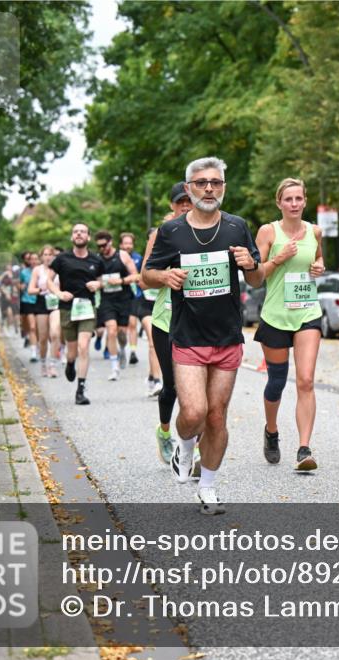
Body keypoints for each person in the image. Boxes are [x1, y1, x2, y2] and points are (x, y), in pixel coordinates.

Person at [143, 158, 263, 515]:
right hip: (188, 334)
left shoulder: (237, 227)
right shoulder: (173, 232)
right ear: (188, 188)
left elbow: (257, 280)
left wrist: (250, 264)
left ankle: (208, 487)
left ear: (224, 186)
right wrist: (165, 278)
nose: (209, 188)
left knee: (216, 417)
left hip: (227, 336)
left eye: (216, 182)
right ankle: (183, 445)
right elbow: (147, 274)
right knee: (193, 412)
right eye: (201, 182)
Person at [254, 178, 326, 471]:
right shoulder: (268, 231)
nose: (294, 204)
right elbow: (256, 276)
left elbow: (318, 261)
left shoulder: (315, 231)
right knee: (277, 382)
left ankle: (304, 449)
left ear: (305, 201)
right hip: (275, 315)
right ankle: (271, 432)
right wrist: (278, 259)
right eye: (289, 199)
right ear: (279, 203)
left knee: (306, 380)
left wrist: (319, 267)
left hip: (308, 312)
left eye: (299, 199)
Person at [143, 187, 194, 462]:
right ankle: (164, 432)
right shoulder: (161, 234)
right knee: (172, 386)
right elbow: (145, 277)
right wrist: (165, 276)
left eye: (189, 201)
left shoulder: (209, 230)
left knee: (196, 389)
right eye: (180, 202)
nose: (186, 206)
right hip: (167, 320)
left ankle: (193, 446)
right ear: (172, 205)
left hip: (198, 321)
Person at [45, 223, 105, 405]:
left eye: (83, 232)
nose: (79, 234)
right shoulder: (62, 259)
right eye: (75, 232)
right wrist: (58, 293)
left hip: (87, 307)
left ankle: (80, 390)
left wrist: (98, 285)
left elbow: (102, 280)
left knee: (83, 346)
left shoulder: (96, 260)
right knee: (72, 352)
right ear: (72, 237)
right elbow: (48, 280)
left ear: (88, 237)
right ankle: (70, 363)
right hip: (67, 308)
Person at [94, 231, 139, 381]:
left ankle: (122, 349)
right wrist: (98, 284)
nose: (102, 249)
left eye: (104, 245)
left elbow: (136, 275)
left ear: (111, 242)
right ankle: (114, 367)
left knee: (121, 333)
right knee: (111, 330)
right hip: (107, 300)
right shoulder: (97, 259)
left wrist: (120, 281)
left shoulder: (122, 256)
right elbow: (96, 279)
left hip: (124, 298)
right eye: (99, 246)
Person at [29, 245, 63, 378]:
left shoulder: (60, 269)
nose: (48, 257)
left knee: (55, 334)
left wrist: (59, 291)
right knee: (42, 338)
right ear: (41, 257)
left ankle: (53, 364)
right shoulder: (37, 270)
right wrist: (40, 289)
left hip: (56, 303)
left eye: (50, 254)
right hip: (42, 303)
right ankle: (43, 363)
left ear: (54, 256)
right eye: (45, 254)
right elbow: (30, 290)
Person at [120, 232, 143, 366]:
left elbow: (141, 275)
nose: (128, 245)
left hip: (135, 295)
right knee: (121, 328)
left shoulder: (138, 258)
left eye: (130, 243)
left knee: (133, 324)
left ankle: (133, 352)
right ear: (121, 244)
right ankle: (121, 349)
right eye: (125, 243)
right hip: (120, 296)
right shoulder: (116, 257)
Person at [19, 251, 41, 362]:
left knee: (38, 328)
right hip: (27, 301)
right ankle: (33, 353)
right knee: (32, 327)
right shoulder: (24, 272)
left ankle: (37, 347)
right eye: (31, 259)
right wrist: (21, 286)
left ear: (39, 260)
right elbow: (19, 284)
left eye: (35, 259)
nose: (33, 261)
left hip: (40, 301)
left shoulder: (43, 272)